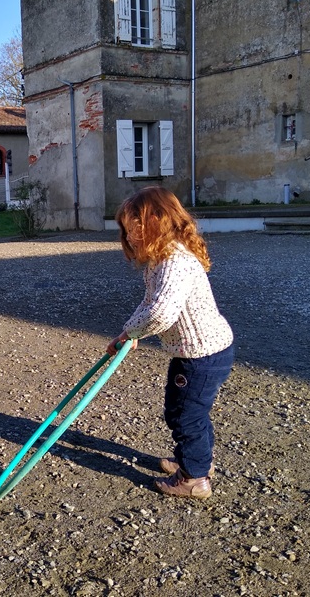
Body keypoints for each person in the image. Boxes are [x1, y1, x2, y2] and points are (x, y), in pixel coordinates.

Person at [106, 187, 234, 500]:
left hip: (202, 355)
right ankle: (197, 459)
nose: (128, 238)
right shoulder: (161, 259)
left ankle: (195, 478)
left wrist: (134, 332)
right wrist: (128, 334)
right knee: (187, 410)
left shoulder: (174, 262)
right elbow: (150, 303)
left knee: (185, 414)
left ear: (152, 225)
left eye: (132, 231)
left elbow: (161, 313)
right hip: (199, 351)